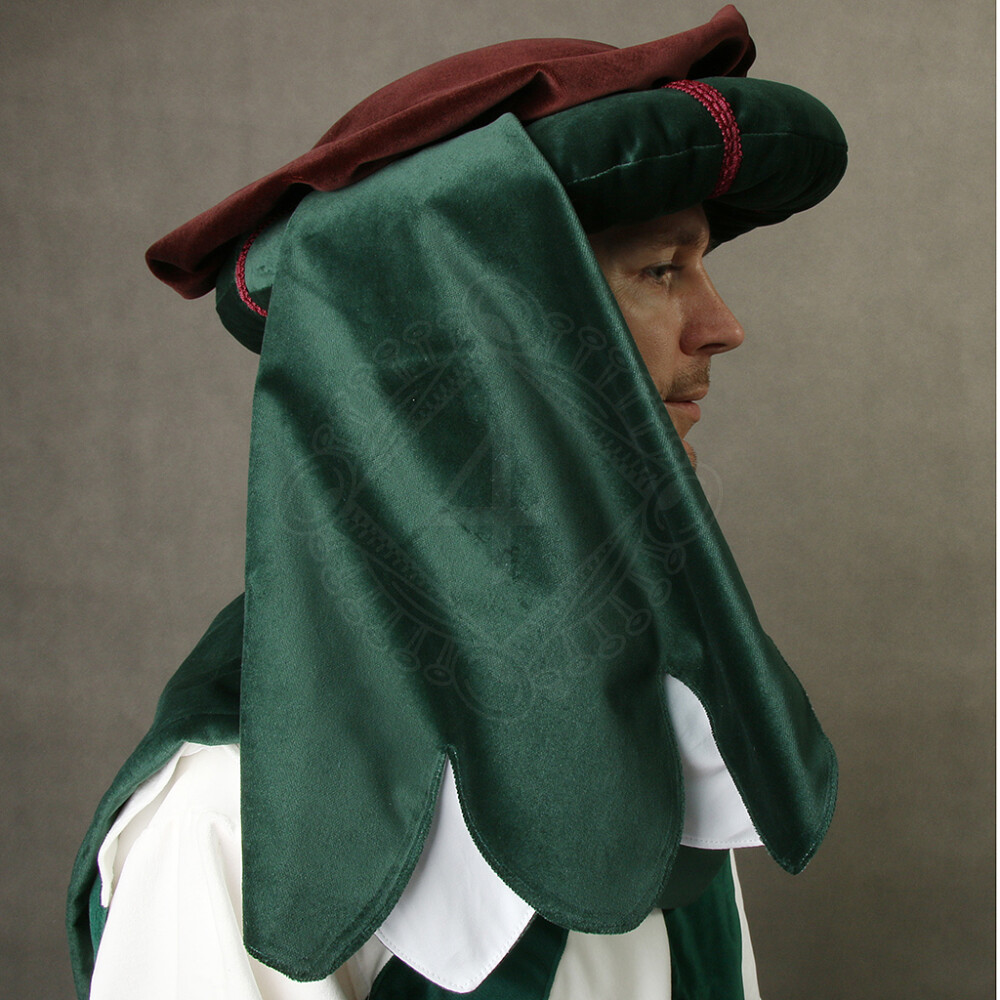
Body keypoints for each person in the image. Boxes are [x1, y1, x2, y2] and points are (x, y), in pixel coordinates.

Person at [67, 8, 847, 999]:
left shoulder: (668, 721)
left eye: (701, 267)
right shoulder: (237, 817)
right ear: (474, 340)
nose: (721, 325)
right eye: (660, 269)